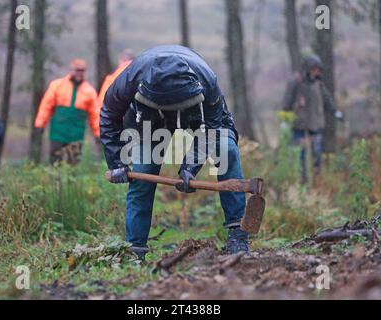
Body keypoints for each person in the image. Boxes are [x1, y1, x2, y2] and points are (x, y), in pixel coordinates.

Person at [100, 45, 250, 260]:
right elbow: (108, 114)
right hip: (149, 121)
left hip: (201, 119)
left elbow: (212, 130)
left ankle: (237, 233)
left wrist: (190, 167)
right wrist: (116, 163)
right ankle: (135, 249)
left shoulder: (206, 81)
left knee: (227, 151)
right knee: (143, 172)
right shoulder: (130, 79)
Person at [282, 54, 344, 184]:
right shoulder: (296, 81)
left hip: (315, 124)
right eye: (314, 69)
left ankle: (316, 180)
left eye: (318, 69)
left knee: (317, 153)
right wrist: (286, 119)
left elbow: (327, 100)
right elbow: (286, 103)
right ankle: (301, 180)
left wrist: (335, 112)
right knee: (300, 154)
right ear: (308, 68)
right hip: (299, 125)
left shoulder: (318, 83)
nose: (317, 72)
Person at [34, 59, 99, 165]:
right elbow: (46, 105)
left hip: (76, 134)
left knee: (73, 164)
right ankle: (55, 181)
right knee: (55, 164)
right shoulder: (57, 85)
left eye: (82, 71)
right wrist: (40, 124)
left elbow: (95, 115)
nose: (79, 73)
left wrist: (98, 133)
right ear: (71, 70)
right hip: (58, 132)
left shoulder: (89, 91)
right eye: (77, 70)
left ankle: (70, 182)